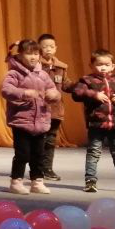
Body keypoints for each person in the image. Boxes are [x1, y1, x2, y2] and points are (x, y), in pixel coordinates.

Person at [72, 49, 115, 193]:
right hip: (96, 124)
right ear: (91, 65)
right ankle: (90, 181)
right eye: (99, 64)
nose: (103, 68)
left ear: (112, 66)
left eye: (107, 64)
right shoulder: (87, 80)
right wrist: (94, 94)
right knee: (93, 152)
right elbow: (77, 92)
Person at [1, 38, 60, 195]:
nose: (33, 57)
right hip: (21, 121)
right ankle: (16, 182)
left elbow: (53, 89)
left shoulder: (43, 74)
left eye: (36, 54)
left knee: (39, 154)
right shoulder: (14, 73)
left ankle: (37, 181)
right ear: (20, 55)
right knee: (22, 154)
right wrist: (24, 93)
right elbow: (6, 90)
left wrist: (53, 94)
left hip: (41, 121)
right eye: (29, 54)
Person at [37, 33, 74, 181]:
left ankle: (47, 169)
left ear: (56, 48)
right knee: (39, 140)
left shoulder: (61, 67)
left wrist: (81, 86)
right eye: (45, 46)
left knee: (51, 140)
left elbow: (66, 85)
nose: (48, 49)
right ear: (39, 48)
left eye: (51, 46)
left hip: (55, 110)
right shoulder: (34, 65)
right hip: (38, 109)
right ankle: (36, 168)